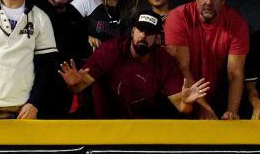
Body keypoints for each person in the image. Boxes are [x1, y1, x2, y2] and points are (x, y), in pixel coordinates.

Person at [58, 11, 209, 118]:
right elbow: (78, 86)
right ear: (132, 32)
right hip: (105, 125)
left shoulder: (165, 61)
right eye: (140, 30)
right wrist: (73, 84)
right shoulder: (110, 50)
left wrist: (187, 102)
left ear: (157, 38)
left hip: (143, 129)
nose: (143, 36)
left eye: (149, 32)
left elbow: (183, 108)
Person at [163, 0, 249, 119]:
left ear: (223, 0)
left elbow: (235, 73)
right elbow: (182, 67)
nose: (208, 2)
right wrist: (203, 107)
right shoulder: (178, 17)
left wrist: (232, 111)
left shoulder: (237, 23)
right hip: (180, 99)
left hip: (217, 97)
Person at [38, 0, 89, 117]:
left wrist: (78, 76)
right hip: (28, 93)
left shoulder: (77, 18)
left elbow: (80, 57)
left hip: (61, 96)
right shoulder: (31, 9)